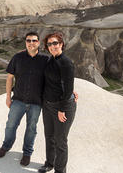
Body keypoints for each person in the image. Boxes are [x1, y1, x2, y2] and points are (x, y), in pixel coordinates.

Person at [0, 31, 48, 166]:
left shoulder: (45, 60)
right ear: (25, 42)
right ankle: (6, 147)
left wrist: (71, 92)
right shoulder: (17, 58)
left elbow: (55, 79)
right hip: (18, 99)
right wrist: (8, 97)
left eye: (34, 41)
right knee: (10, 126)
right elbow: (9, 78)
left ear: (38, 43)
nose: (31, 43)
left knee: (31, 129)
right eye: (28, 40)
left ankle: (27, 153)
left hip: (36, 102)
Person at [38, 32, 77, 173]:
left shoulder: (66, 63)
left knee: (60, 141)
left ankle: (60, 171)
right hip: (48, 105)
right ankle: (49, 163)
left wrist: (62, 109)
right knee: (49, 136)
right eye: (49, 44)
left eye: (55, 43)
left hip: (63, 106)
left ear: (61, 44)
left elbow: (68, 88)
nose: (52, 46)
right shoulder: (50, 60)